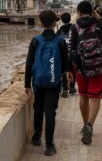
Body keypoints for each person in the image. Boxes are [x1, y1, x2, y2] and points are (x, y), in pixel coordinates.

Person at [25, 10, 70, 156]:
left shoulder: (35, 40)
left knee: (38, 108)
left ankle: (37, 136)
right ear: (55, 23)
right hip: (53, 83)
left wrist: (26, 84)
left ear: (41, 23)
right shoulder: (60, 41)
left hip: (38, 82)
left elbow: (29, 63)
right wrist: (65, 83)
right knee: (50, 112)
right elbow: (65, 66)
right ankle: (49, 145)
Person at [69, 1, 102, 145]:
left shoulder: (74, 26)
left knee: (83, 95)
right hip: (98, 67)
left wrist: (71, 69)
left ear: (79, 12)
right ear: (92, 11)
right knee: (95, 96)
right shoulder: (98, 24)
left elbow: (72, 49)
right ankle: (90, 125)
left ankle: (84, 124)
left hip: (81, 67)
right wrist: (97, 19)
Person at [56, 12, 77, 98]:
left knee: (64, 71)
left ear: (62, 20)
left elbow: (56, 42)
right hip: (73, 53)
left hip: (62, 54)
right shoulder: (74, 28)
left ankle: (64, 90)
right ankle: (72, 87)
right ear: (69, 19)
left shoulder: (59, 31)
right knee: (72, 70)